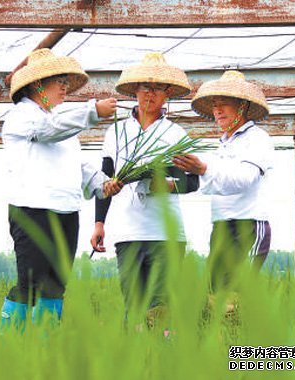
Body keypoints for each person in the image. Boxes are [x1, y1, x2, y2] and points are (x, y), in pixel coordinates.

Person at [0, 48, 122, 329]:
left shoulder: (62, 124)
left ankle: (47, 349)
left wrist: (103, 184)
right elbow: (48, 130)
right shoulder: (22, 116)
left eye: (66, 81)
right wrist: (92, 111)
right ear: (37, 85)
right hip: (32, 210)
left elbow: (78, 164)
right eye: (59, 81)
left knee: (55, 284)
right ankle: (7, 344)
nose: (65, 87)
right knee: (29, 282)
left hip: (67, 211)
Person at [90, 53, 199, 325]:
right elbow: (106, 179)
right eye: (145, 87)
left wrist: (162, 185)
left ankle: (163, 362)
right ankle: (135, 363)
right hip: (128, 232)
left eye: (158, 88)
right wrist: (99, 223)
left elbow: (192, 182)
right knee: (134, 308)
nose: (150, 94)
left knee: (161, 309)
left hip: (165, 233)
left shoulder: (175, 134)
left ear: (168, 94)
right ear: (135, 90)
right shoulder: (115, 132)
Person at [173, 70, 273, 292]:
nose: (217, 110)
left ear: (243, 106)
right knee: (215, 296)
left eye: (224, 103)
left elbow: (244, 179)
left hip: (248, 227)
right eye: (215, 105)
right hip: (221, 226)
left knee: (236, 296)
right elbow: (211, 182)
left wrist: (203, 168)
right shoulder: (223, 144)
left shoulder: (257, 139)